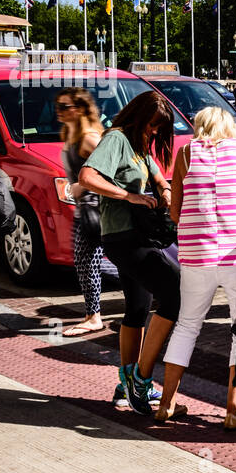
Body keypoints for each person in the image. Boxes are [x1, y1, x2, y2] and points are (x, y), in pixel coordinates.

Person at [157, 107, 236, 429]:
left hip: (195, 256)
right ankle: (233, 410)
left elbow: (175, 212)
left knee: (187, 326)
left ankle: (166, 404)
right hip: (235, 258)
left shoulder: (186, 153)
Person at [77, 92, 180, 414]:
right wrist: (128, 196)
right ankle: (141, 379)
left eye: (159, 129)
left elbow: (160, 177)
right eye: (152, 126)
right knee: (176, 292)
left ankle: (126, 382)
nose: (154, 133)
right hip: (123, 237)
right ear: (139, 117)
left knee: (137, 308)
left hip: (136, 234)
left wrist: (162, 191)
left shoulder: (138, 147)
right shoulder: (117, 139)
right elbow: (87, 177)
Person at [57, 87, 107, 338]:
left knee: (88, 262)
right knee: (87, 261)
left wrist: (80, 185)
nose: (60, 112)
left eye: (65, 107)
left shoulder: (88, 137)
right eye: (59, 106)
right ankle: (93, 314)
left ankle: (93, 317)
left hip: (95, 209)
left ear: (79, 109)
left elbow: (110, 168)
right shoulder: (70, 134)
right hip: (83, 209)